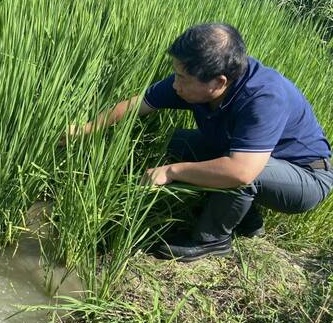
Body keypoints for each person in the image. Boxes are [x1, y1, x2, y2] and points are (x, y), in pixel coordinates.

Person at [67, 23, 333, 262]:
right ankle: (248, 222)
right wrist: (86, 129)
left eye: (183, 78)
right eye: (176, 74)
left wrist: (172, 171)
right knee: (174, 143)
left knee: (244, 173)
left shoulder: (263, 96)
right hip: (256, 160)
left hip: (306, 177)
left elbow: (241, 171)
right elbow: (138, 105)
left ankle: (212, 240)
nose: (175, 85)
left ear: (219, 82)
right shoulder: (194, 82)